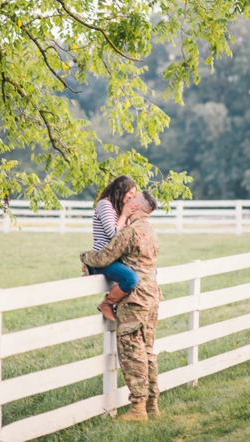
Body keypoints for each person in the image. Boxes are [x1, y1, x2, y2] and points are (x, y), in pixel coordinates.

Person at [81, 189, 162, 421]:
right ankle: (152, 405)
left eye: (130, 201)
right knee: (147, 351)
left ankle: (138, 409)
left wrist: (84, 257)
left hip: (135, 299)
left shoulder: (131, 232)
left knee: (131, 352)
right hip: (153, 296)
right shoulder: (151, 231)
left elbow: (104, 257)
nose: (127, 202)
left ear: (136, 207)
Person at [87, 175, 141, 321]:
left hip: (115, 258)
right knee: (131, 278)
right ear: (120, 190)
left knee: (149, 271)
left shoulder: (117, 208)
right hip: (102, 258)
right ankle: (107, 303)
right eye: (130, 193)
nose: (131, 197)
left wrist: (129, 216)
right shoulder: (105, 205)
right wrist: (124, 215)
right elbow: (113, 234)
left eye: (133, 195)